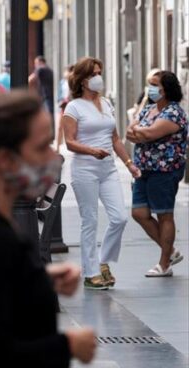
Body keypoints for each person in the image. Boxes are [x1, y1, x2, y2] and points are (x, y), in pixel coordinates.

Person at [0, 91, 96, 367]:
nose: (53, 157)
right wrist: (68, 345)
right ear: (4, 160)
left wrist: (37, 278)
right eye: (41, 147)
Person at [61, 57, 140, 289]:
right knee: (90, 221)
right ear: (84, 80)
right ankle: (90, 273)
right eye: (95, 73)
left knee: (119, 217)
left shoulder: (106, 103)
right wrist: (92, 151)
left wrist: (129, 163)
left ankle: (103, 261)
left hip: (108, 169)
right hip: (85, 169)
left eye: (100, 72)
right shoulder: (73, 108)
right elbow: (69, 142)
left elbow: (115, 138)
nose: (99, 77)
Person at [126, 70, 187, 277]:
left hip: (164, 170)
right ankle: (169, 251)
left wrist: (140, 132)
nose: (150, 89)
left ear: (166, 89)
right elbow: (129, 132)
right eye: (149, 84)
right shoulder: (150, 108)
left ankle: (164, 263)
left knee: (164, 214)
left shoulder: (174, 112)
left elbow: (150, 133)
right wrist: (140, 132)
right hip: (143, 169)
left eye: (154, 85)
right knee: (139, 213)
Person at [56, 65, 73, 151]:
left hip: (72, 107)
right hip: (63, 106)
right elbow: (59, 94)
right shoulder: (62, 82)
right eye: (66, 71)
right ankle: (57, 148)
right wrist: (61, 101)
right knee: (60, 127)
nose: (66, 73)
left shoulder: (74, 83)